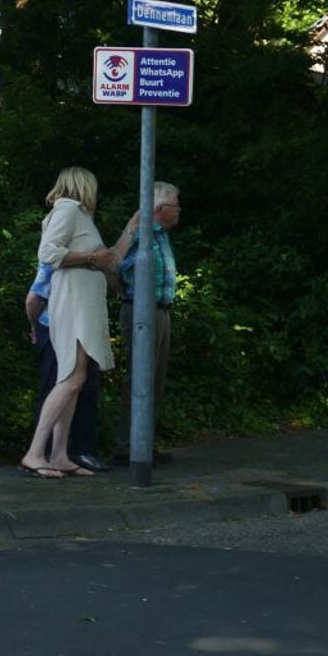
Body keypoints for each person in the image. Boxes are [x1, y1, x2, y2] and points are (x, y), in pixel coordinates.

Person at [21, 166, 117, 479]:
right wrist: (91, 259)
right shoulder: (69, 209)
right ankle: (35, 452)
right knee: (71, 379)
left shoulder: (77, 215)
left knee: (73, 379)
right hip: (74, 302)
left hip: (80, 302)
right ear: (84, 186)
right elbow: (48, 252)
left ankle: (59, 454)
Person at [111, 182, 182, 463]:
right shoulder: (140, 232)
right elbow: (114, 263)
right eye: (176, 204)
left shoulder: (160, 234)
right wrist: (123, 293)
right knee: (139, 378)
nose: (180, 210)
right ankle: (128, 446)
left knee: (155, 379)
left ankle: (143, 443)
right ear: (162, 209)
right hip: (143, 312)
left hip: (160, 311)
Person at [25, 264, 108, 472]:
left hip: (78, 328)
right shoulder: (55, 257)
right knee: (62, 387)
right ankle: (38, 454)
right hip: (55, 328)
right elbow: (33, 298)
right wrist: (35, 326)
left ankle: (59, 455)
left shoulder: (84, 258)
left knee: (77, 388)